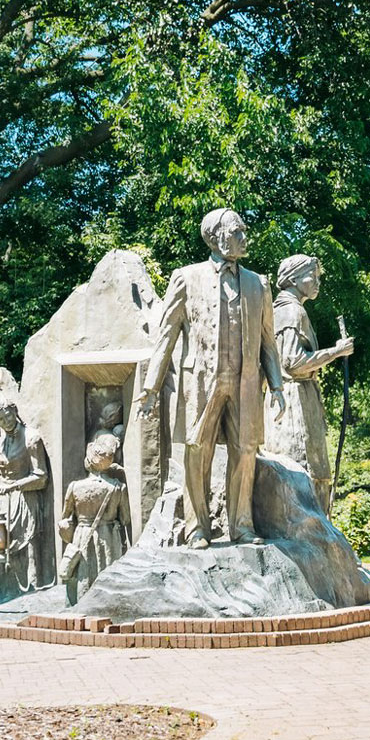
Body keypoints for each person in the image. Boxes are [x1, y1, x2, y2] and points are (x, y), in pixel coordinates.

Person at [137, 208, 286, 549]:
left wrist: (276, 385)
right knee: (195, 449)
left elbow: (268, 341)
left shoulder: (257, 284)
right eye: (238, 231)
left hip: (245, 380)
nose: (245, 237)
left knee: (245, 450)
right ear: (218, 236)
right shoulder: (186, 278)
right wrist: (151, 387)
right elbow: (166, 337)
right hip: (200, 380)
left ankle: (242, 525)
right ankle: (196, 528)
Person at [263, 254, 354, 512]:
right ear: (293, 279)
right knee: (303, 474)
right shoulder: (291, 311)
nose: (317, 282)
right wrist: (335, 352)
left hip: (299, 397)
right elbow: (292, 362)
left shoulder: (288, 309)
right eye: (311, 277)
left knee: (312, 475)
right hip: (294, 402)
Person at [0, 397, 52, 592]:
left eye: (8, 416)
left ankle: (32, 587)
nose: (7, 422)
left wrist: (15, 486)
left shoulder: (31, 438)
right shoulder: (1, 440)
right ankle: (3, 589)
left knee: (24, 543)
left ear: (15, 411)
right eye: (1, 421)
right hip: (2, 502)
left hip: (24, 499)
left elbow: (41, 477)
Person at [58, 434, 131, 605]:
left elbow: (65, 520)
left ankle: (78, 606)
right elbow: (125, 518)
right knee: (108, 574)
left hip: (82, 535)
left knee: (82, 574)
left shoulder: (75, 487)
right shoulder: (118, 488)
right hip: (108, 536)